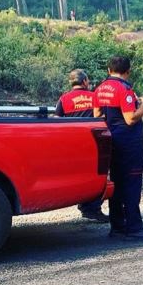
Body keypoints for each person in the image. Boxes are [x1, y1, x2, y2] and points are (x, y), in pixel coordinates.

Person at [93, 56, 143, 240]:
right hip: (128, 145)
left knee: (117, 183)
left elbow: (97, 116)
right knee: (131, 184)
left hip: (110, 143)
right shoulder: (124, 90)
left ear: (108, 70)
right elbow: (131, 118)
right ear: (128, 72)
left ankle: (117, 227)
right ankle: (134, 228)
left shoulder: (99, 89)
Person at [55, 69, 109, 223]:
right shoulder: (94, 97)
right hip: (93, 142)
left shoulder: (64, 99)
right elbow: (104, 116)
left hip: (71, 145)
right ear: (85, 81)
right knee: (96, 176)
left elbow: (56, 120)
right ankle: (92, 208)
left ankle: (85, 206)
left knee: (78, 176)